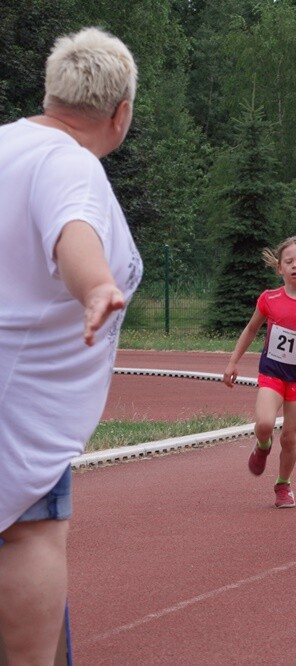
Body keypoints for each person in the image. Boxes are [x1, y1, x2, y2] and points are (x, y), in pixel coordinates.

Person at [0, 27, 142, 664]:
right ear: (121, 112)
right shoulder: (71, 163)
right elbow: (73, 229)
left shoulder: (8, 144)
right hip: (20, 406)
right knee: (29, 534)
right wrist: (97, 286)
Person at [224, 237, 296, 508]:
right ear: (279, 268)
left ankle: (283, 484)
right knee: (264, 424)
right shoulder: (269, 299)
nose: (295, 266)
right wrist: (233, 362)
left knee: (289, 437)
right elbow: (251, 330)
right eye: (289, 262)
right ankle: (262, 446)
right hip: (272, 374)